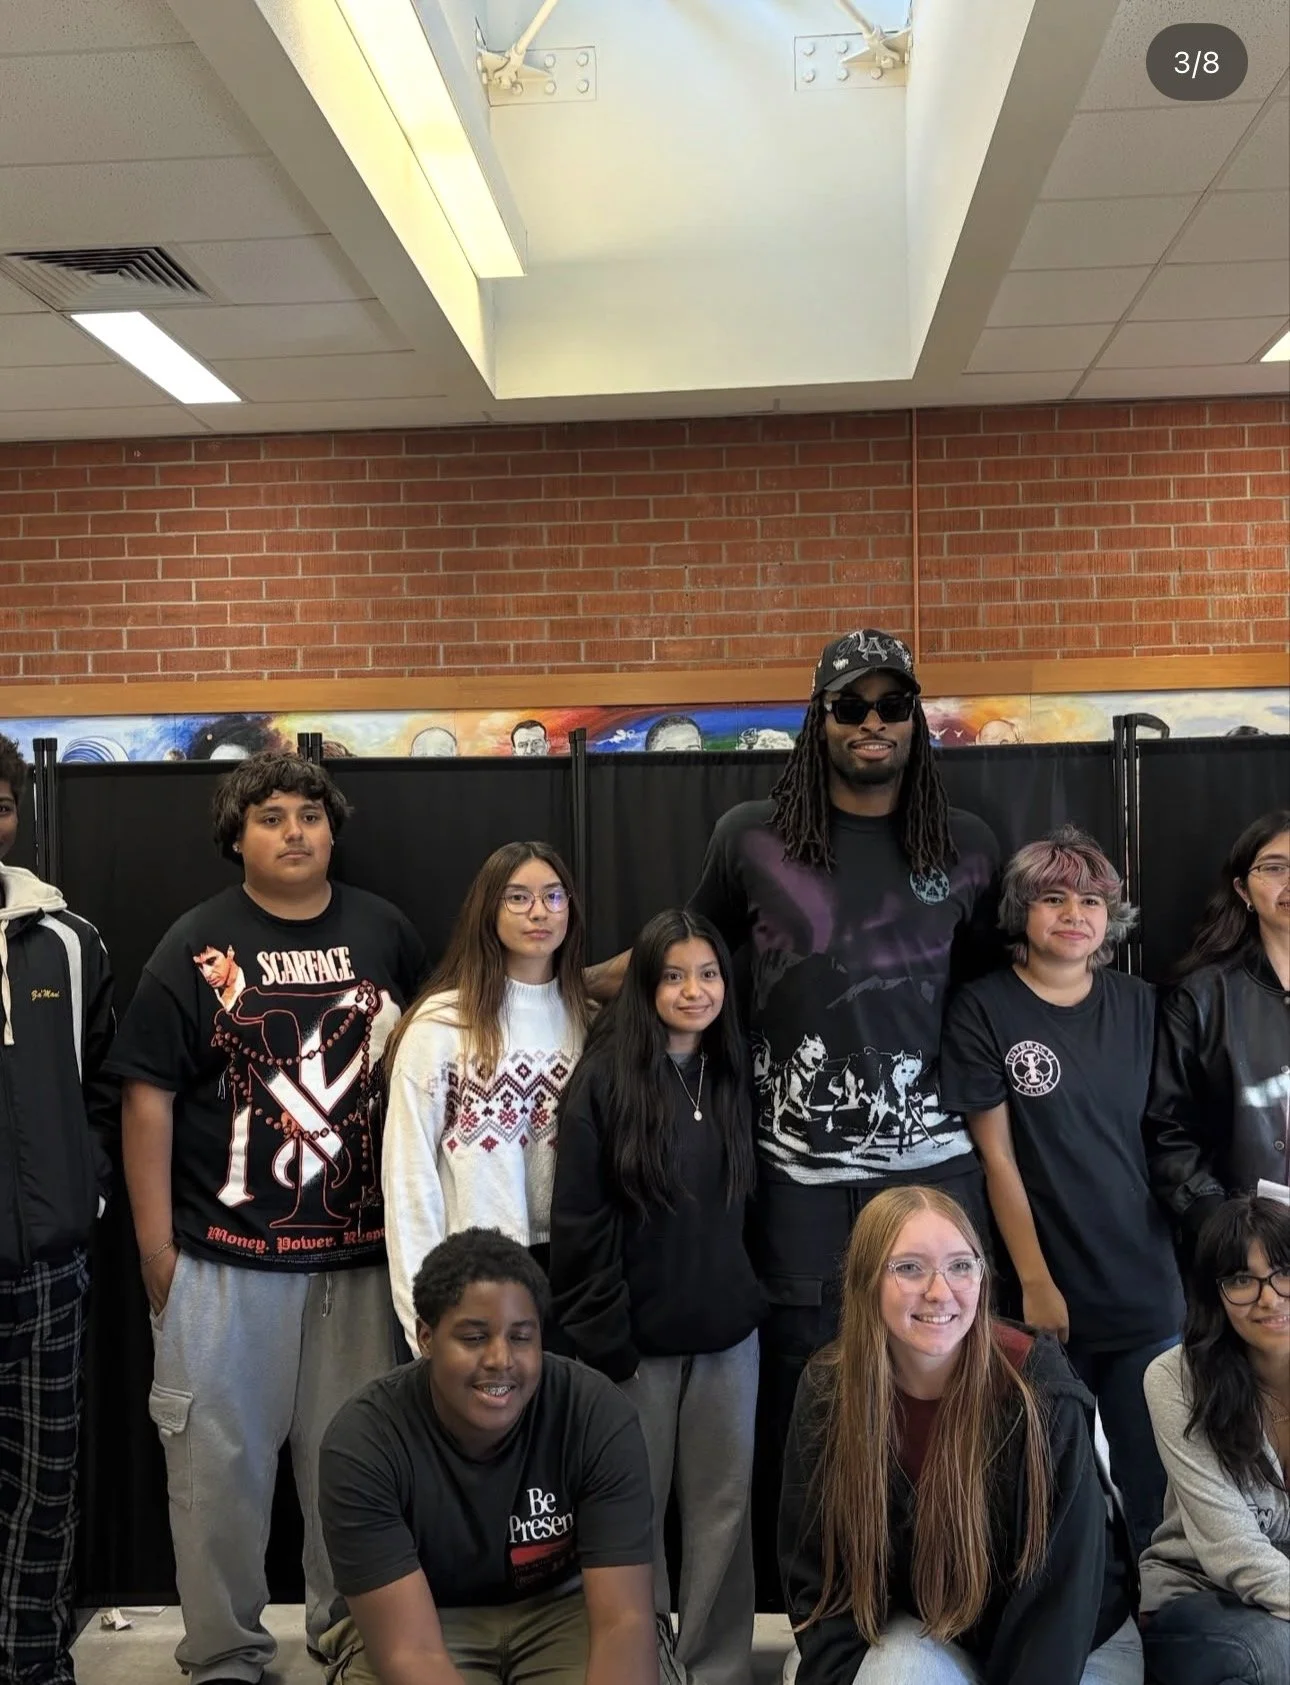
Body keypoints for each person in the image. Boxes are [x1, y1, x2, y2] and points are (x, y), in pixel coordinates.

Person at [590, 631, 1003, 1588]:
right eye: (849, 706)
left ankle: (941, 1596)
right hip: (796, 1187)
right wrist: (529, 985)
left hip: (935, 1177)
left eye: (891, 705)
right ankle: (826, 1613)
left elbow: (998, 994)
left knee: (941, 1400)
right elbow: (676, 958)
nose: (872, 723)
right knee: (811, 1410)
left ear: (914, 721)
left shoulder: (969, 845)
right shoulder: (750, 837)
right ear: (818, 720)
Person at [108, 750, 426, 1685]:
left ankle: (350, 1643)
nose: (294, 831)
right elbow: (147, 1096)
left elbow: (436, 1061)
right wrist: (158, 1247)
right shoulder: (195, 942)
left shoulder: (386, 931)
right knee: (217, 1483)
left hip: (363, 1265)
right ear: (236, 836)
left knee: (358, 1476)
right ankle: (225, 1656)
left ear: (334, 829)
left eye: (310, 815)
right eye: (272, 816)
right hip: (225, 1262)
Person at [779, 1185, 1142, 1685]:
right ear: (866, 1282)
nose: (939, 1290)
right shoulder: (828, 1390)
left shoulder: (1039, 1393)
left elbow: (1062, 1599)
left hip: (1072, 1645)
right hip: (931, 1634)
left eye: (960, 1265)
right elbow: (817, 1577)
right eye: (909, 1268)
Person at [939, 826, 1183, 1557]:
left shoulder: (1143, 1004)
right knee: (1043, 1487)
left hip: (1146, 1288)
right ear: (1021, 909)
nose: (1074, 912)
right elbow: (998, 1160)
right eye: (1052, 897)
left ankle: (1154, 1631)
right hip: (1042, 1294)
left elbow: (1167, 1138)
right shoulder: (982, 1009)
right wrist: (1038, 1285)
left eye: (1091, 899)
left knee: (1153, 1490)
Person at [550, 909, 764, 1685]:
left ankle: (716, 1665)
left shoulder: (736, 1069)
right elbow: (579, 1218)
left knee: (723, 1512)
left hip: (729, 1339)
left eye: (708, 973)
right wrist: (606, 1337)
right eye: (673, 974)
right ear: (645, 985)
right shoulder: (605, 1077)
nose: (693, 989)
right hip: (633, 1343)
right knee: (630, 1517)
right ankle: (644, 1664)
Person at [317, 1228, 660, 1685]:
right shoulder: (364, 1442)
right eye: (475, 1337)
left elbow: (623, 1622)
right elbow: (409, 1651)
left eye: (521, 1338)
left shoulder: (596, 1415)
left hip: (566, 1610)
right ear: (425, 1337)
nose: (501, 1359)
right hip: (425, 1617)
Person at [0, 734, 117, 1685]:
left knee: (43, 1486)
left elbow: (104, 1086)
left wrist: (93, 1186)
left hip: (49, 1264)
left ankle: (33, 1662)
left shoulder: (69, 940)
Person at [382, 843, 591, 1355]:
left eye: (553, 896)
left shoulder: (590, 1022)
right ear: (487, 911)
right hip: (471, 1274)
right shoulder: (440, 1026)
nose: (539, 911)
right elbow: (409, 1182)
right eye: (517, 898)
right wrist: (421, 1323)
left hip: (573, 1278)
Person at [1139, 1196, 1289, 1685]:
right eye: (1242, 1280)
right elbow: (1233, 1549)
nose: (1269, 1299)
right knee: (1273, 1652)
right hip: (1199, 1592)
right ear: (1215, 1293)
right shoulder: (1176, 1379)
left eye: (1284, 1271)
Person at [1145, 810, 1290, 1265]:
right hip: (1246, 1249)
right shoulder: (1202, 998)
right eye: (1275, 867)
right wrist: (1222, 1228)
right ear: (1243, 890)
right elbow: (1168, 1133)